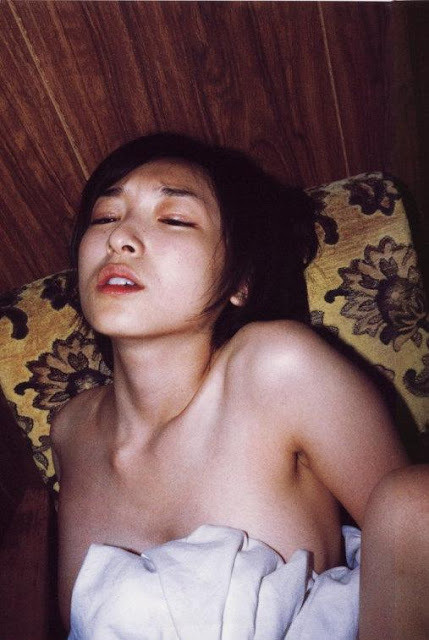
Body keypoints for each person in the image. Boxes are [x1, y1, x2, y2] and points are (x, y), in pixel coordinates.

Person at [51, 133, 427, 639]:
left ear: (239, 281)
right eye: (104, 217)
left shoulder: (278, 368)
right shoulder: (70, 429)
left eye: (174, 219)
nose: (120, 238)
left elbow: (415, 538)